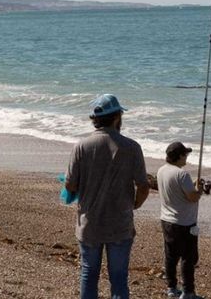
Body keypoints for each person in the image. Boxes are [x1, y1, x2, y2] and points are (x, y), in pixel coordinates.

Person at [65, 94, 150, 299]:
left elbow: (70, 184)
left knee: (89, 273)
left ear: (95, 120)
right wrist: (135, 204)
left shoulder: (82, 146)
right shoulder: (131, 147)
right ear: (117, 117)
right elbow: (144, 186)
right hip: (120, 223)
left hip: (89, 222)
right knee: (119, 279)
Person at [157, 142, 206, 299]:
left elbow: (176, 191)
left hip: (166, 220)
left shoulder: (162, 170)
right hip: (184, 222)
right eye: (185, 154)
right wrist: (200, 191)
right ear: (179, 156)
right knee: (188, 258)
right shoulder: (182, 174)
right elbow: (192, 197)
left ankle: (171, 288)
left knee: (170, 256)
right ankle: (188, 292)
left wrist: (192, 187)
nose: (187, 157)